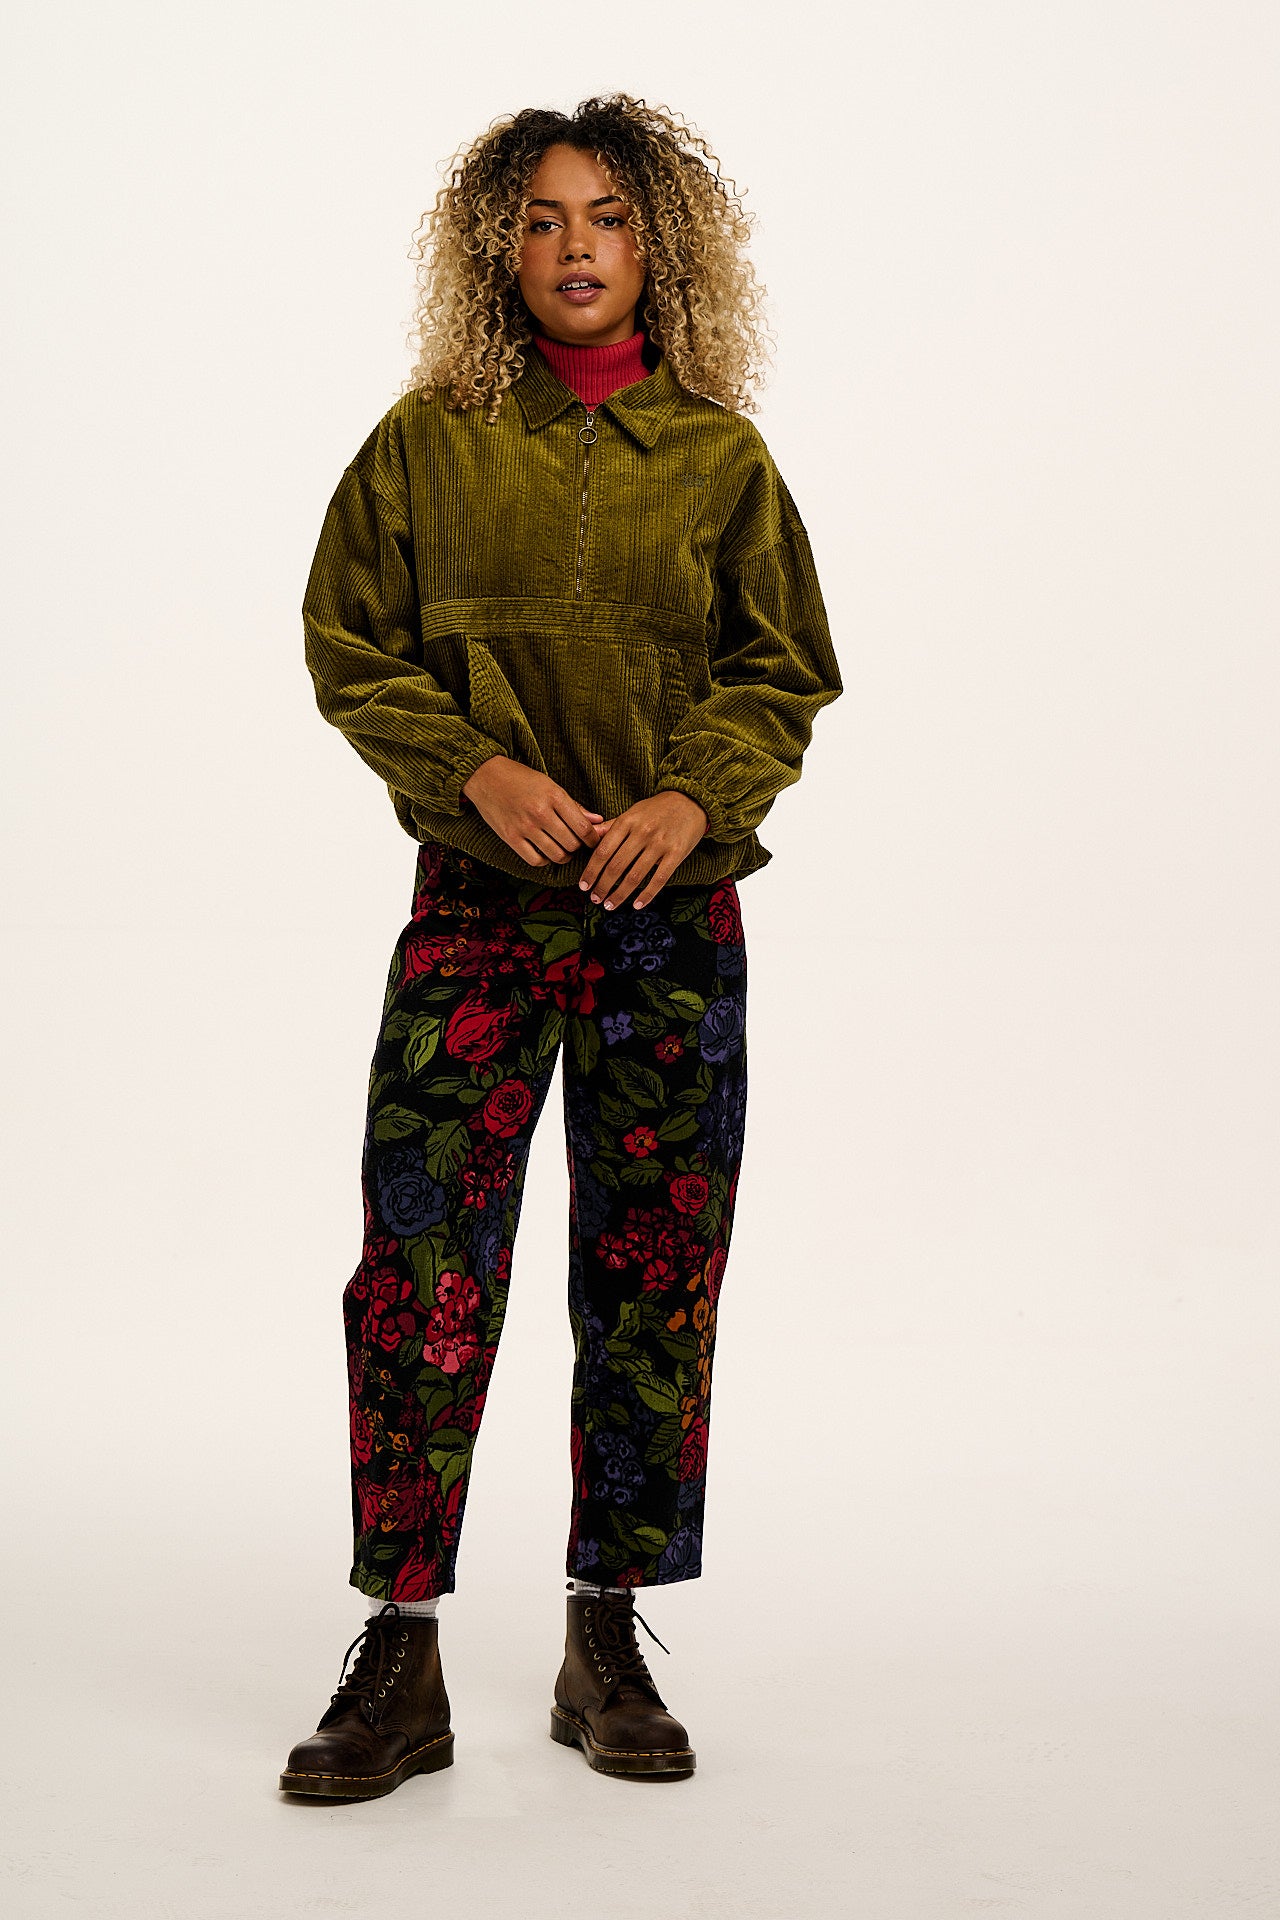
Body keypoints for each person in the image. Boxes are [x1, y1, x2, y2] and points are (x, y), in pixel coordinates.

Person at [279, 92, 842, 1799]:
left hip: (667, 925)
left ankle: (608, 1634)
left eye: (606, 216)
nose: (574, 245)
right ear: (494, 249)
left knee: (654, 1272)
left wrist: (693, 795)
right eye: (538, 218)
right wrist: (474, 771)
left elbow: (782, 670)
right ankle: (402, 1647)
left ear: (659, 246)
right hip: (477, 919)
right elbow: (350, 645)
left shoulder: (722, 461)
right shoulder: (425, 445)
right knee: (421, 1265)